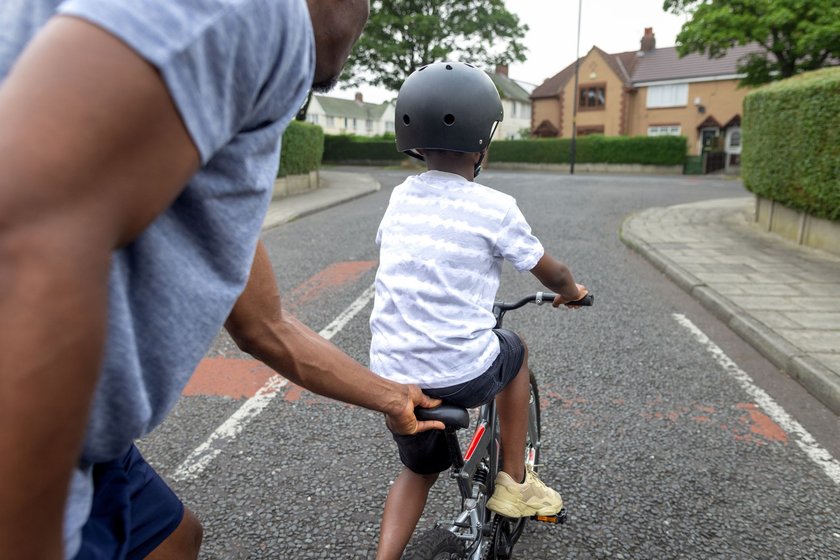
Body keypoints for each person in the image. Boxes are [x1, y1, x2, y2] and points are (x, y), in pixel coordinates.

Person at [0, 1, 446, 558]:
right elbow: (30, 235)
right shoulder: (253, 12)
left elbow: (264, 325)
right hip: (29, 442)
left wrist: (390, 396)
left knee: (174, 538)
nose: (366, 16)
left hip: (90, 441)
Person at [368, 61, 589, 559]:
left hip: (390, 379)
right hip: (457, 373)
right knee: (513, 349)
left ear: (414, 142)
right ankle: (514, 480)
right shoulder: (495, 206)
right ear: (483, 145)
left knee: (417, 471)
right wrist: (572, 291)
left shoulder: (400, 198)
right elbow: (549, 272)